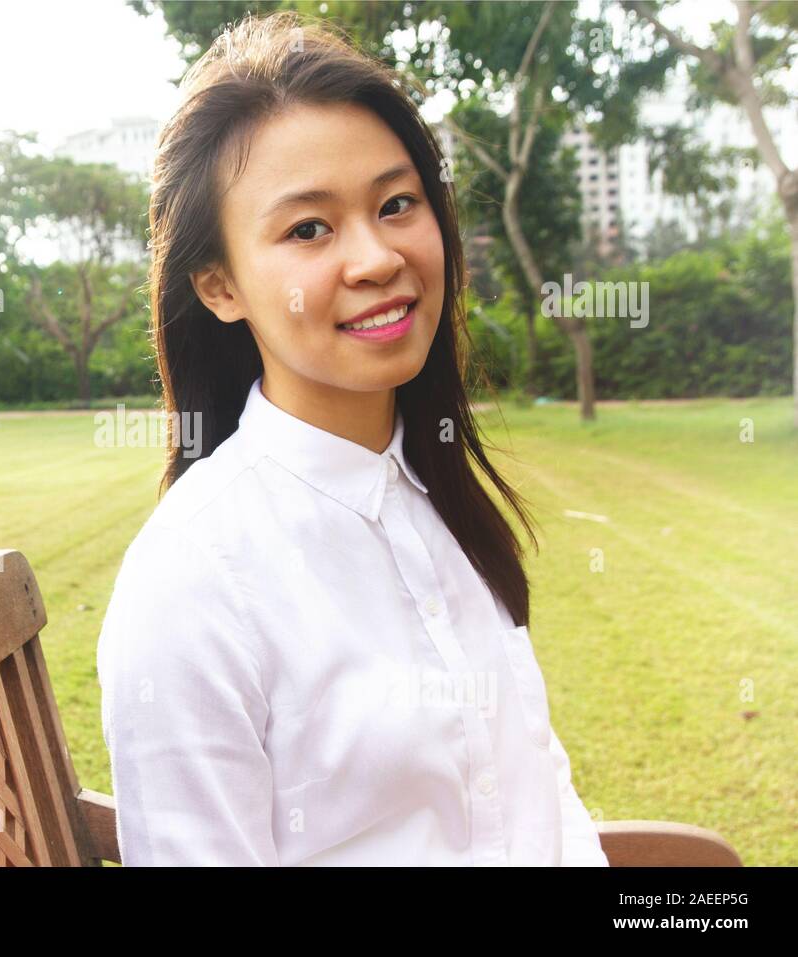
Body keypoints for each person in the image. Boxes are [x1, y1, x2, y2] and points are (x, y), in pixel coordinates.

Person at [96, 10, 609, 866]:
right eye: (309, 228)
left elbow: (537, 785)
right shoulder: (193, 582)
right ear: (219, 284)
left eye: (397, 203)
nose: (375, 257)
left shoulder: (440, 496)